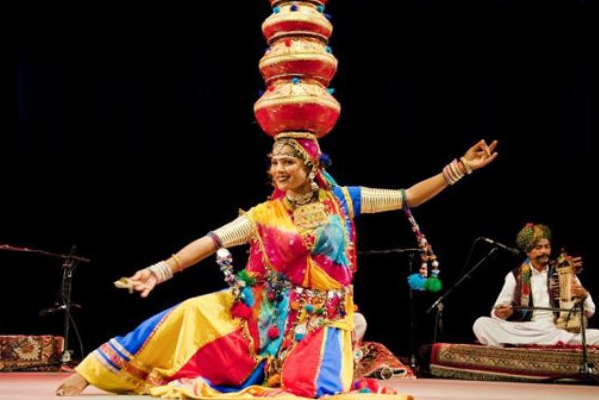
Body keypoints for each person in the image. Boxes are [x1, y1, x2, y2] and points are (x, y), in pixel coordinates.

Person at [56, 135, 498, 397]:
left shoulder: (344, 200)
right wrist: (160, 270)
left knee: (313, 390)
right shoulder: (262, 215)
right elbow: (210, 242)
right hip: (267, 313)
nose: (278, 168)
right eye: (274, 162)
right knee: (188, 313)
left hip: (325, 318)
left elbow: (409, 197)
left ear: (310, 165)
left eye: (288, 161)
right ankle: (91, 371)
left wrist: (460, 167)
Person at [473, 223, 599, 346]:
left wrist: (585, 295)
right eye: (538, 248)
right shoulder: (515, 276)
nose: (544, 251)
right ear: (528, 251)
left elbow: (590, 311)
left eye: (547, 246)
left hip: (557, 329)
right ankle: (550, 343)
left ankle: (525, 344)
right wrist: (501, 314)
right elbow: (496, 312)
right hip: (525, 330)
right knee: (481, 324)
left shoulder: (563, 271)